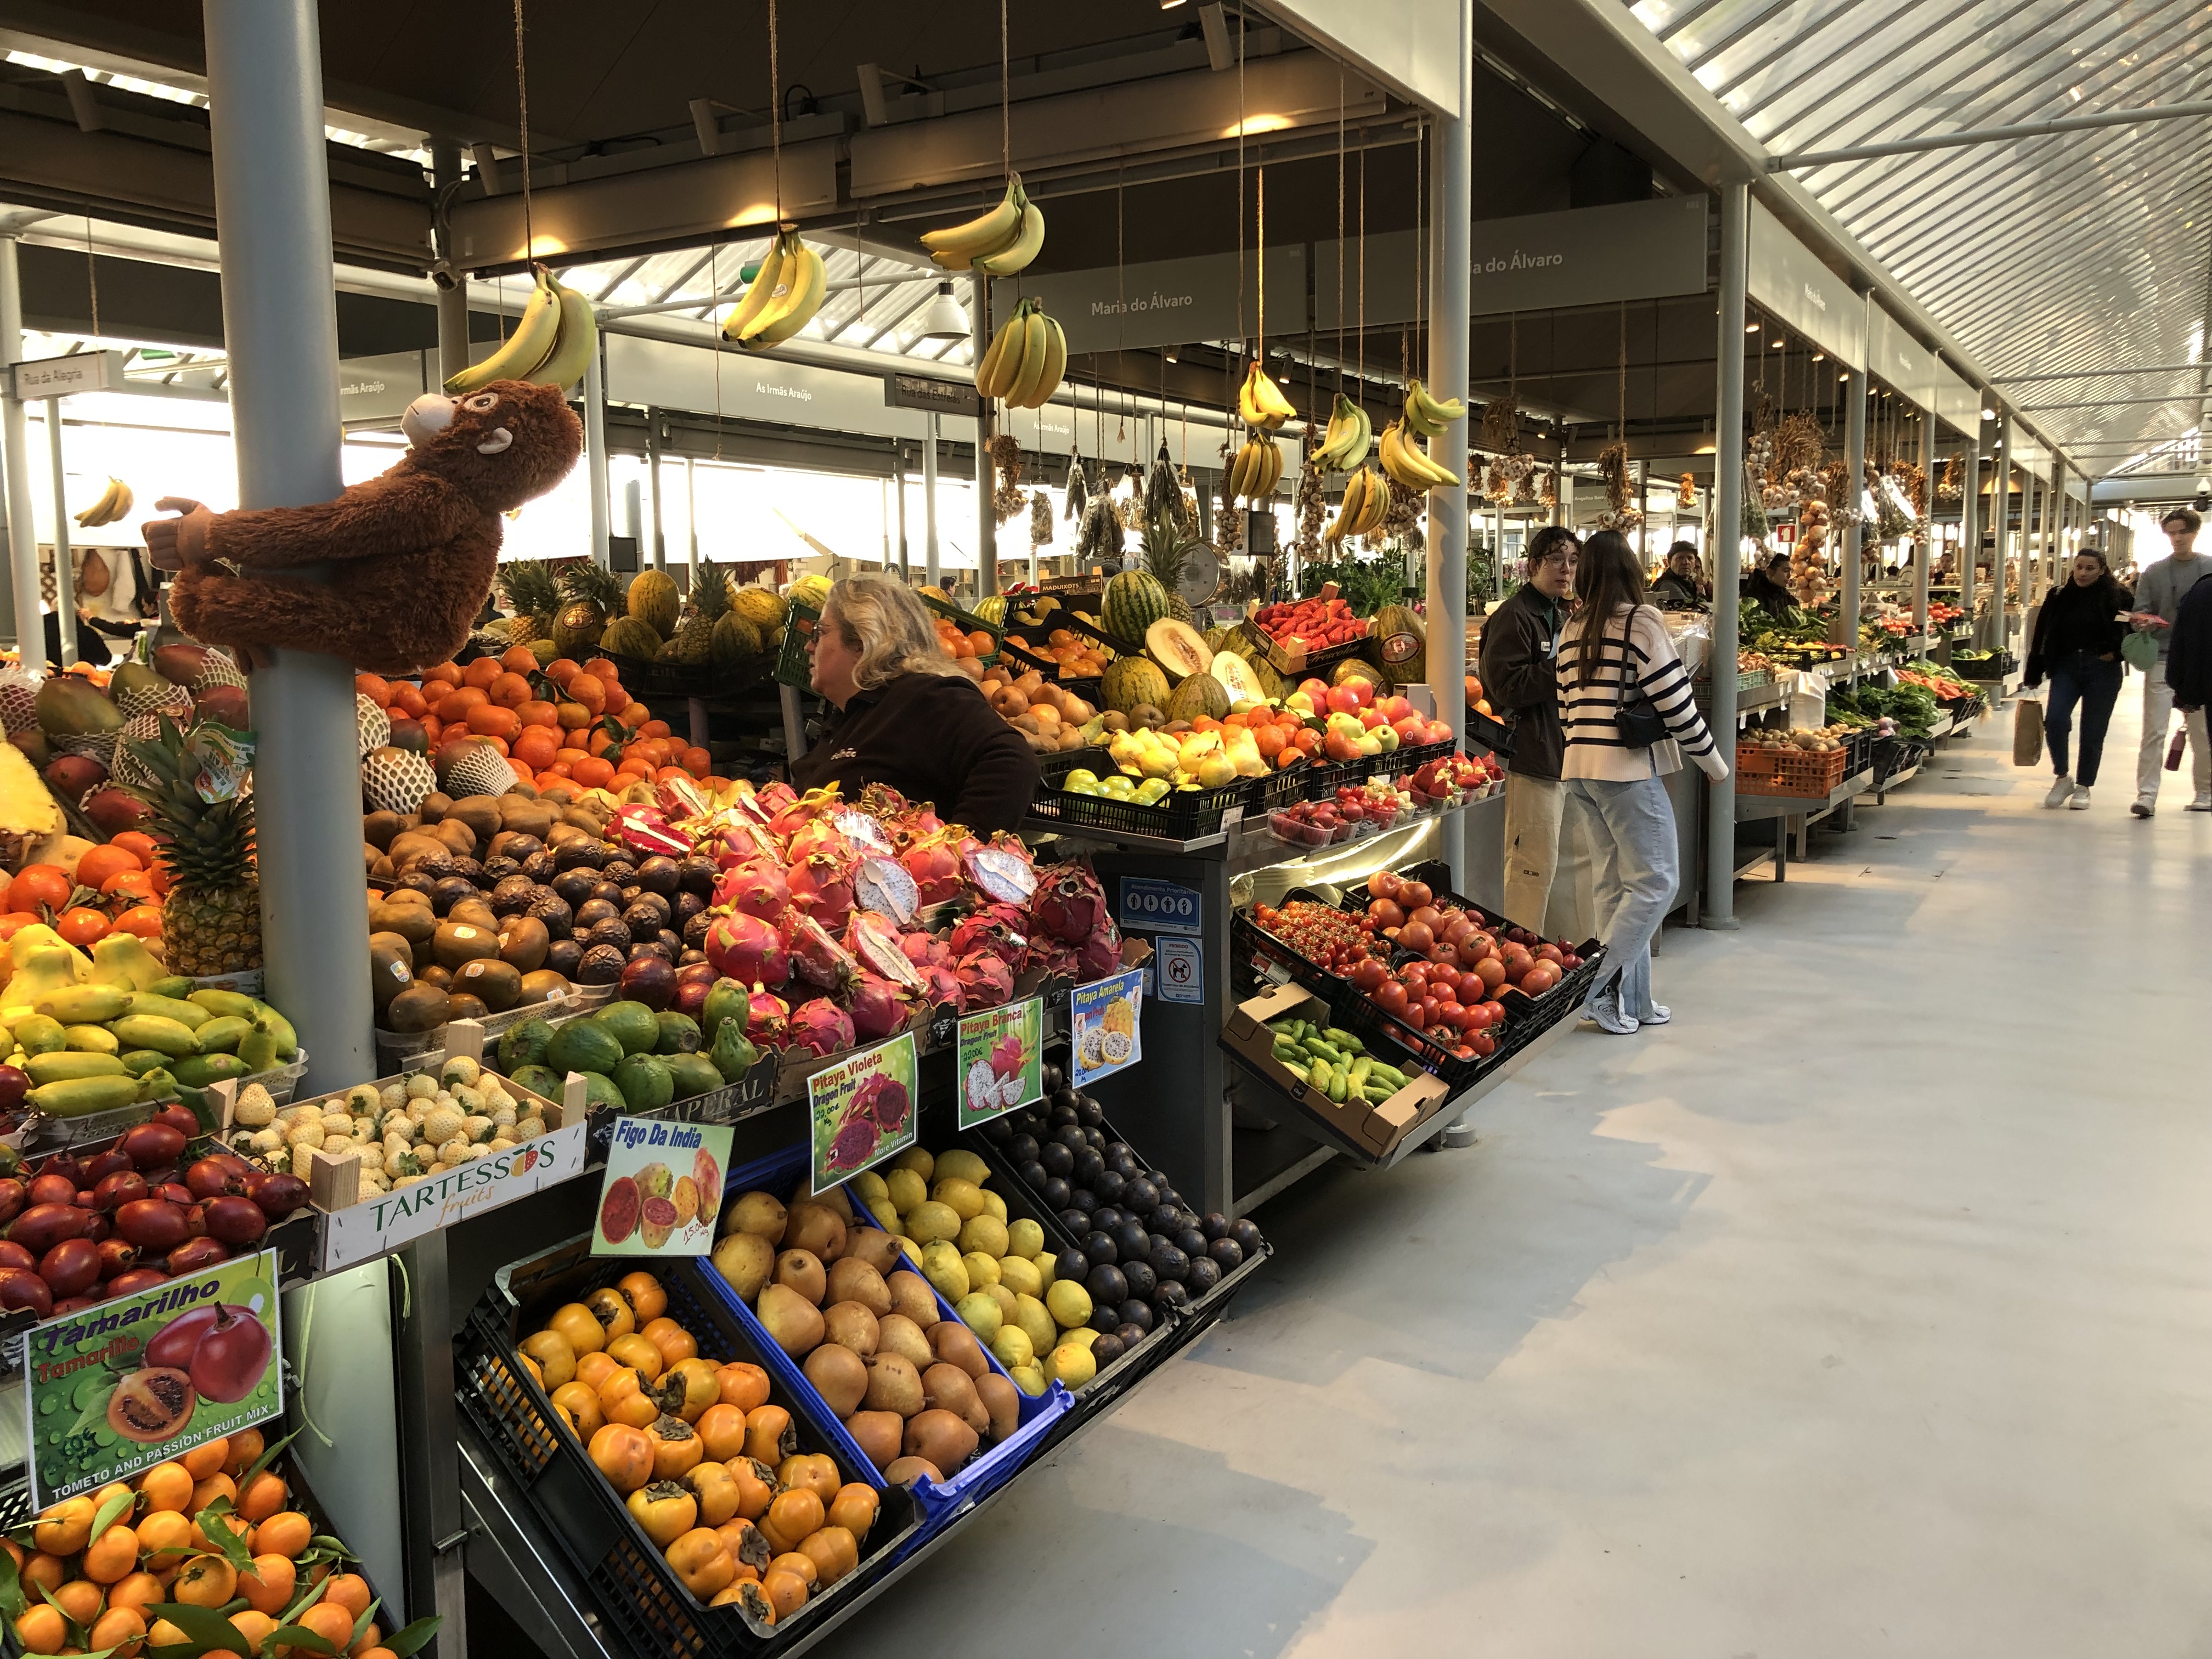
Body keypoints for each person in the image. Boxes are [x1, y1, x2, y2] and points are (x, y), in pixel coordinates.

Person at [1556, 531, 1728, 1036]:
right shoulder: (1641, 621)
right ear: (1631, 570)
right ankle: (1596, 992)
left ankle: (1632, 1000)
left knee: (1614, 886)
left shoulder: (1572, 628)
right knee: (1657, 882)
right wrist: (1714, 763)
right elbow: (1676, 702)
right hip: (1626, 770)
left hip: (1580, 769)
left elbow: (1565, 709)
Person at [789, 573, 1040, 834]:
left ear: (863, 641)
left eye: (820, 632)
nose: (809, 646)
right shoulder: (853, 714)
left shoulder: (925, 697)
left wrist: (958, 847)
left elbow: (1013, 761)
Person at [1478, 524, 1592, 943]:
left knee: (1571, 868)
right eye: (1556, 560)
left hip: (1565, 758)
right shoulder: (1515, 616)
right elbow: (1504, 688)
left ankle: (1567, 957)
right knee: (1531, 867)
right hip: (1531, 758)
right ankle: (1521, 956)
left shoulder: (1561, 614)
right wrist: (1564, 664)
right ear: (1533, 565)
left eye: (1573, 560)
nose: (1566, 569)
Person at [2023, 548, 2132, 810]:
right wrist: (2034, 671)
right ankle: (2063, 777)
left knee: (2094, 730)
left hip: (2103, 670)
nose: (2083, 573)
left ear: (2102, 571)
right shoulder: (2059, 595)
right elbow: (2042, 633)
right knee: (2056, 720)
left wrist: (2117, 653)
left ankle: (2084, 786)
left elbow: (2131, 631)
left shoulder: (2119, 597)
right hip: (2066, 667)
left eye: (2090, 568)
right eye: (2079, 567)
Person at [2126, 507, 2212, 815]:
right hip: (2163, 655)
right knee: (2154, 729)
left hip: (2200, 660)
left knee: (2202, 730)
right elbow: (2141, 611)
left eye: (2182, 532)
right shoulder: (2154, 572)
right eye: (2171, 533)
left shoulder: (2209, 568)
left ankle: (2205, 791)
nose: (2177, 538)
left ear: (2194, 532)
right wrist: (2144, 622)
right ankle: (2147, 794)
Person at [1650, 541, 1706, 610]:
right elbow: (1686, 610)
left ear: (1695, 562)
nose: (1686, 562)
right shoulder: (1667, 585)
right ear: (1670, 562)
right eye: (1680, 558)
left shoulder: (1692, 584)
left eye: (1690, 558)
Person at [1741, 550, 1795, 618]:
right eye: (1786, 571)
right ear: (1770, 572)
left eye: (1791, 571)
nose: (1789, 576)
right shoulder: (1752, 597)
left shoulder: (1790, 600)